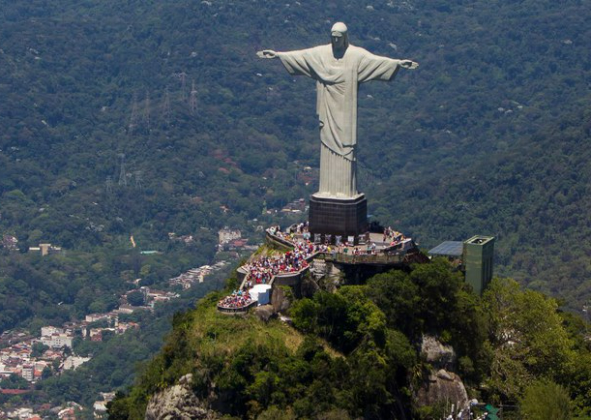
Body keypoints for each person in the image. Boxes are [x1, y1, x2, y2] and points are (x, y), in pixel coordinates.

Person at [258, 22, 418, 198]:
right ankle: (327, 190)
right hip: (328, 108)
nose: (335, 41)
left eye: (339, 38)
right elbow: (301, 56)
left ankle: (344, 191)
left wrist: (398, 63)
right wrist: (277, 55)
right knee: (327, 145)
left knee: (345, 147)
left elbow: (376, 61)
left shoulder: (356, 56)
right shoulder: (321, 54)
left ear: (345, 38)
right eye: (333, 37)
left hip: (346, 111)